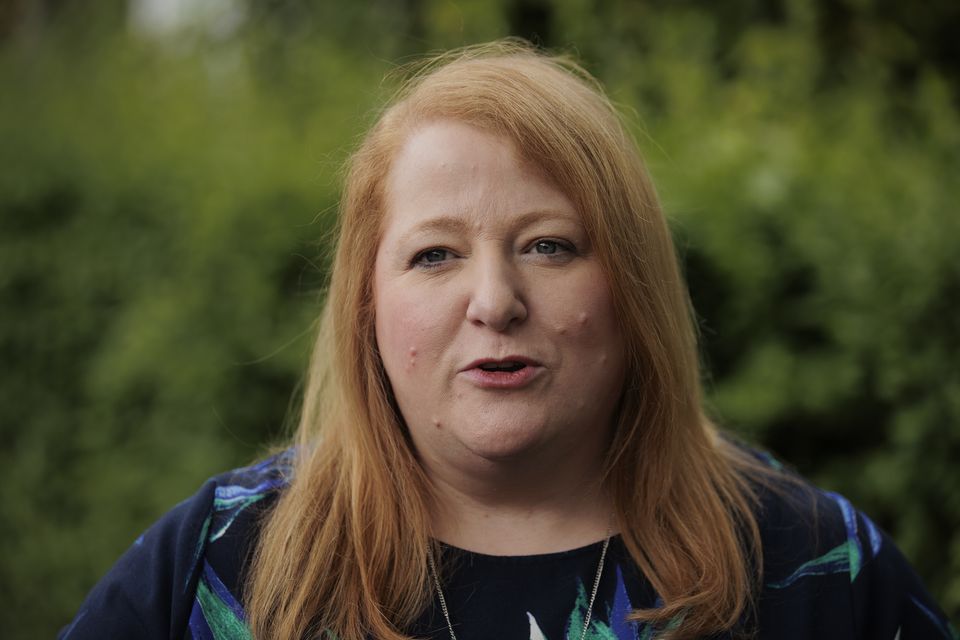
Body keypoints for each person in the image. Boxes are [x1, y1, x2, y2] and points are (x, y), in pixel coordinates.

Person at [60, 40, 955, 640]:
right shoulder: (220, 562)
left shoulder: (815, 567)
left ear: (633, 284)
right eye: (435, 254)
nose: (494, 300)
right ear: (366, 303)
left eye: (549, 245)